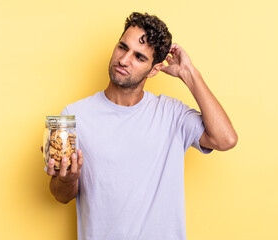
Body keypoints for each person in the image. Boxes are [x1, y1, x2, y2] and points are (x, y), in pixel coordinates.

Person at [45, 12, 238, 239]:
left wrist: (189, 73)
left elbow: (225, 139)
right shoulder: (73, 115)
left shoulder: (171, 114)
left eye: (139, 57)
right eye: (122, 47)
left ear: (154, 69)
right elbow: (60, 195)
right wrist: (67, 179)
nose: (124, 60)